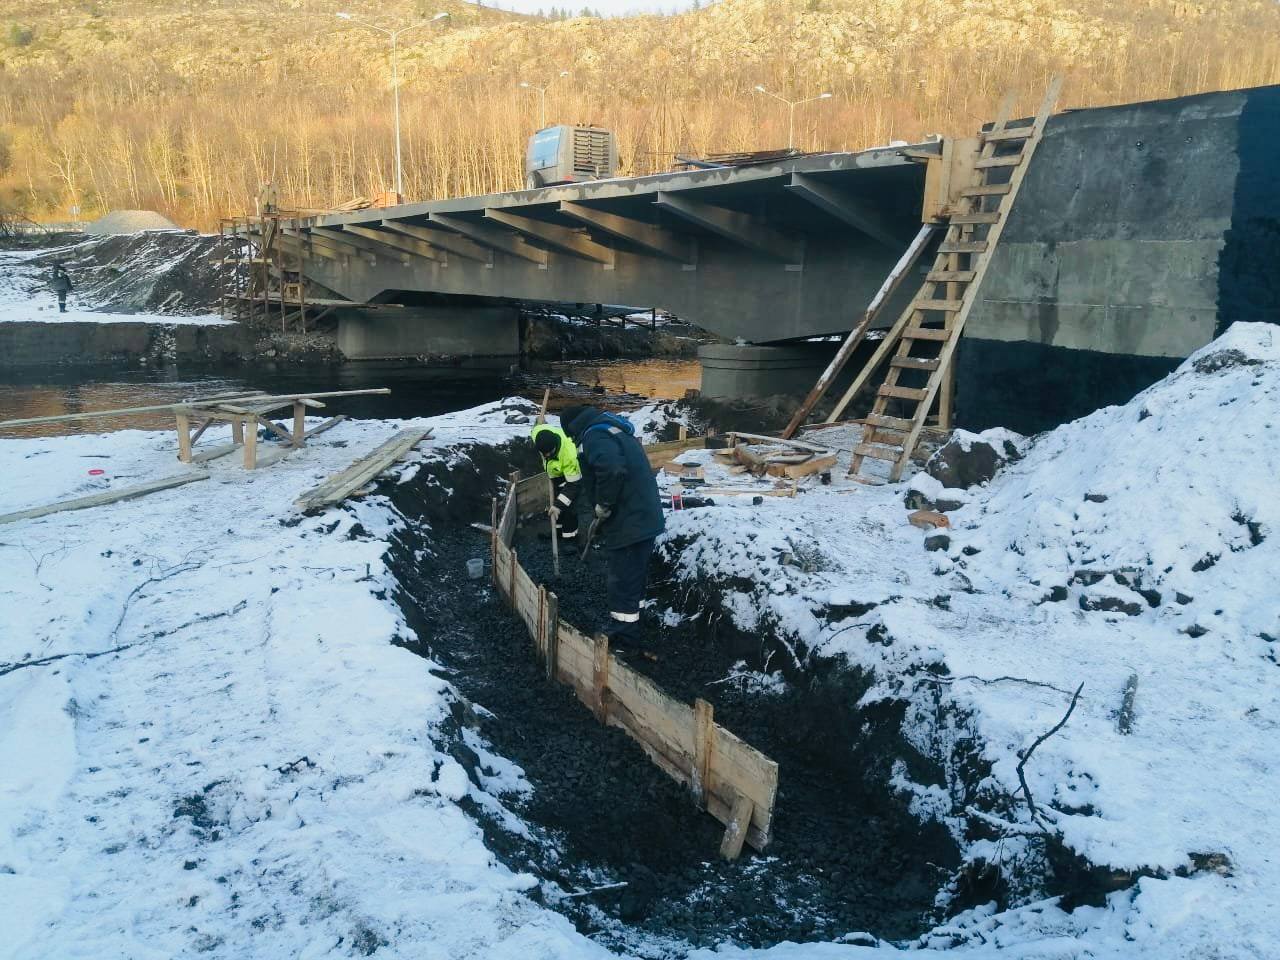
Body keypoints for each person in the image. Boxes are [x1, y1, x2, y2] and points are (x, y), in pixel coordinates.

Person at [560, 405, 665, 646]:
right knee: (634, 575)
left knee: (622, 579)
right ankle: (633, 621)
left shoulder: (594, 435)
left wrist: (603, 504)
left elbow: (612, 469)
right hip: (643, 514)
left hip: (630, 520)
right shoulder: (610, 428)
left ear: (572, 429)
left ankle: (625, 639)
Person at [531, 420, 581, 541]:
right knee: (556, 499)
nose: (546, 456)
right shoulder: (536, 433)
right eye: (544, 454)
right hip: (555, 472)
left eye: (549, 453)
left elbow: (573, 485)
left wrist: (559, 505)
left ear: (555, 447)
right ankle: (557, 532)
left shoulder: (569, 454)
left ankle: (571, 537)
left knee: (567, 503)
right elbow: (539, 424)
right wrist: (538, 421)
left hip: (571, 475)